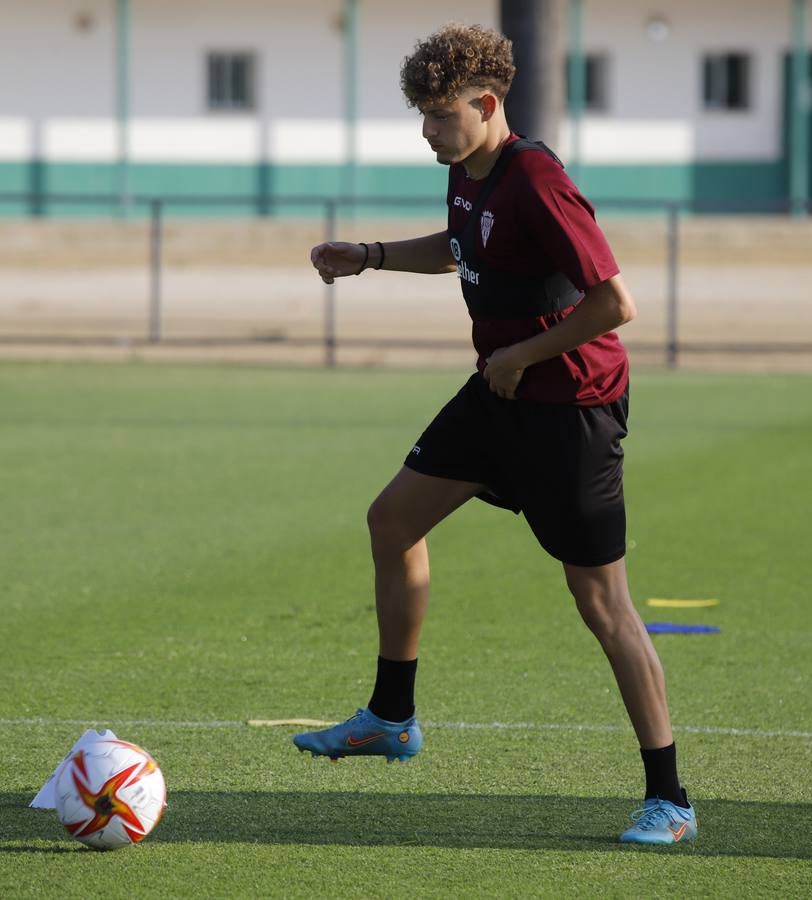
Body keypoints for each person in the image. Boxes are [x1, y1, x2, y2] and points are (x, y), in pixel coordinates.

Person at [296, 22, 698, 846]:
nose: (426, 132)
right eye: (421, 116)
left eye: (439, 116)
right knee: (392, 520)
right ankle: (391, 716)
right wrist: (368, 254)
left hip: (572, 407)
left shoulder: (539, 179)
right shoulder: (468, 172)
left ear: (485, 106)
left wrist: (521, 353)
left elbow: (614, 304)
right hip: (501, 393)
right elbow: (462, 247)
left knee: (601, 604)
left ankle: (671, 799)